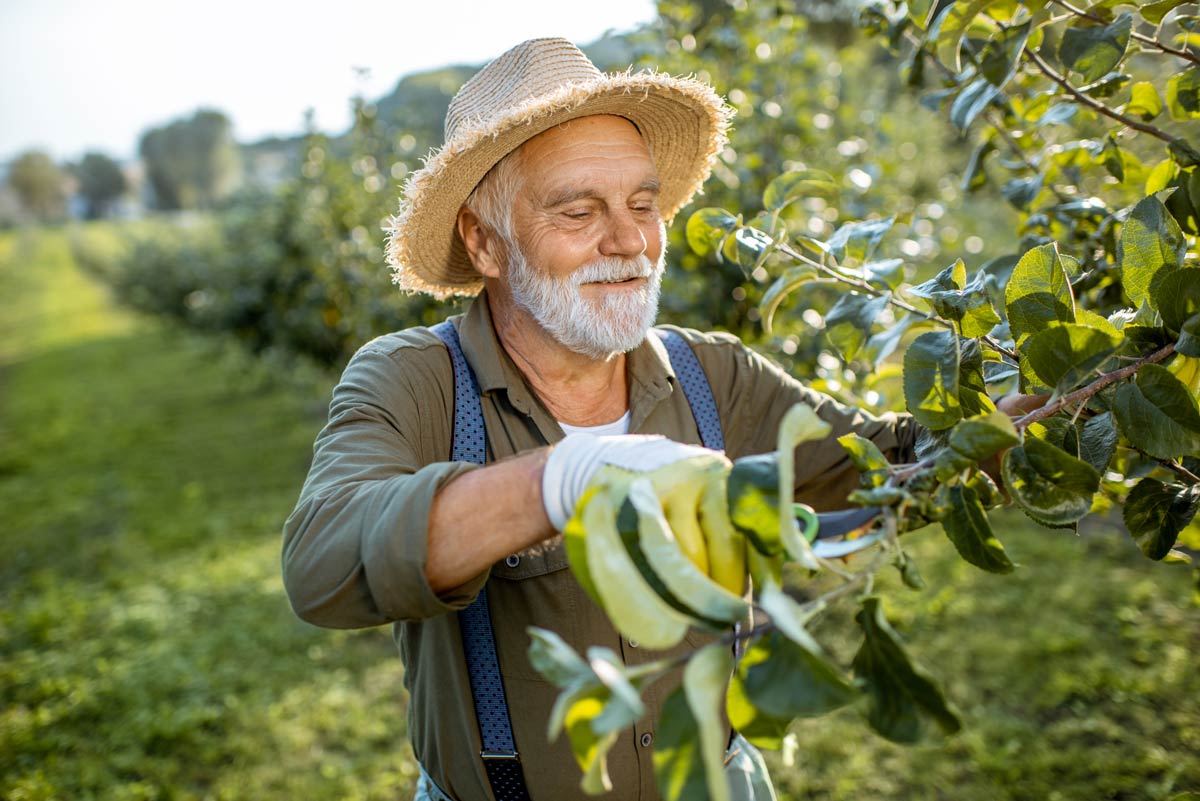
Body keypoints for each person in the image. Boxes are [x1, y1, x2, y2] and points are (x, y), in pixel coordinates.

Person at [283, 38, 924, 801]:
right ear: (484, 241)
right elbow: (322, 562)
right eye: (579, 210)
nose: (629, 242)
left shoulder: (712, 374)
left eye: (643, 205)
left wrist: (1041, 419)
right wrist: (561, 481)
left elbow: (883, 461)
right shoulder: (416, 382)